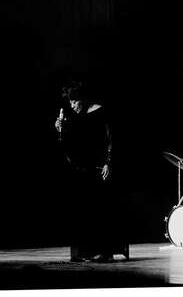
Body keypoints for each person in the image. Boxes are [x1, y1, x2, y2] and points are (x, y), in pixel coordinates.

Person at [55, 81, 127, 263]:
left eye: (74, 102)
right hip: (82, 169)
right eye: (70, 103)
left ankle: (105, 251)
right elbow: (69, 146)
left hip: (100, 167)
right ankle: (83, 252)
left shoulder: (102, 112)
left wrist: (108, 163)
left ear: (82, 99)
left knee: (101, 210)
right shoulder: (74, 117)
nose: (72, 106)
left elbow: (112, 139)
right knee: (83, 210)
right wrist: (60, 130)